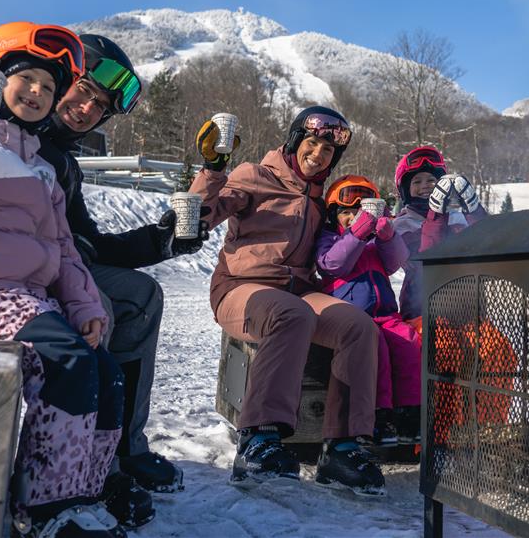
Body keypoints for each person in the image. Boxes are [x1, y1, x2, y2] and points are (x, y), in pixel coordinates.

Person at [0, 33, 206, 528]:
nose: (86, 108)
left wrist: (164, 241)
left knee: (135, 300)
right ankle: (48, 492)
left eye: (100, 107)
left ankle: (110, 459)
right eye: (82, 91)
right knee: (82, 331)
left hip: (34, 279)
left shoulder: (53, 163)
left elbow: (82, 243)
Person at [191, 105, 386, 497]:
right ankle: (259, 439)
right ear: (297, 140)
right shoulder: (254, 176)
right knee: (291, 314)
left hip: (297, 289)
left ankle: (342, 448)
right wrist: (213, 169)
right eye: (312, 144)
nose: (318, 155)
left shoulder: (319, 198)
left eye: (328, 151)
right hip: (241, 287)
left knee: (357, 326)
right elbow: (201, 214)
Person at [315, 175, 421, 446]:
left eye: (358, 212)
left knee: (409, 343)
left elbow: (395, 263)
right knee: (378, 351)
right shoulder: (330, 239)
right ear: (333, 216)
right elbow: (331, 265)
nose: (352, 218)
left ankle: (410, 414)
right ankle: (379, 415)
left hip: (386, 313)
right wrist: (356, 234)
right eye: (346, 213)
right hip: (353, 317)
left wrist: (387, 235)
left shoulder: (375, 242)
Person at [393, 145, 488, 324]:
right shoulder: (401, 225)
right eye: (417, 181)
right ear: (405, 188)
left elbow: (485, 245)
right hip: (422, 312)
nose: (425, 186)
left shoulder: (457, 217)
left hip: (469, 311)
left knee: (497, 350)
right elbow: (424, 261)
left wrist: (473, 210)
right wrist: (436, 214)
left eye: (431, 180)